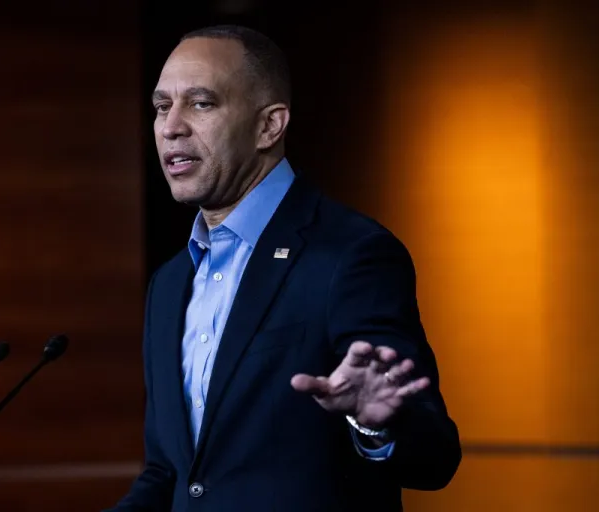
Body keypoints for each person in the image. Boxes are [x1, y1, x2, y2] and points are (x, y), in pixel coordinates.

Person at [106, 24, 461, 512]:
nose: (171, 127)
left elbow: (436, 457)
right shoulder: (169, 283)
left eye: (201, 103)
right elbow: (170, 475)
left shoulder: (351, 256)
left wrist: (375, 424)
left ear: (269, 126)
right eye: (162, 106)